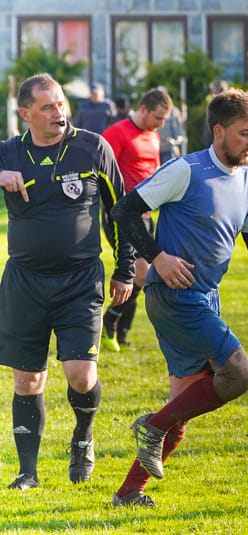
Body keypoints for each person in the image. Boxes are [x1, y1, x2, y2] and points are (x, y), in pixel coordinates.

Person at [109, 88, 248, 507]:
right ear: (218, 132)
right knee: (238, 374)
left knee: (181, 408)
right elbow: (124, 210)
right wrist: (157, 258)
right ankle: (152, 425)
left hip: (205, 297)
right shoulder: (186, 170)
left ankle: (130, 492)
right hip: (175, 296)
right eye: (244, 133)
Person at [0, 73, 134, 491]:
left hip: (81, 280)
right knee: (27, 379)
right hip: (25, 282)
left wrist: (125, 268)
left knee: (80, 374)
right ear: (26, 115)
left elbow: (121, 211)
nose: (59, 112)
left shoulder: (91, 147)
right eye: (47, 107)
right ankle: (28, 473)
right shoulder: (8, 152)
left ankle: (83, 438)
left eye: (60, 104)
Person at [101, 88, 174, 351]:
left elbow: (154, 171)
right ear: (143, 109)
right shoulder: (117, 133)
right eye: (158, 117)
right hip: (121, 213)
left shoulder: (153, 135)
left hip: (146, 214)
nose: (161, 124)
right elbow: (99, 171)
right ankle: (110, 321)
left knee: (142, 274)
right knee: (141, 272)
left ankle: (120, 335)